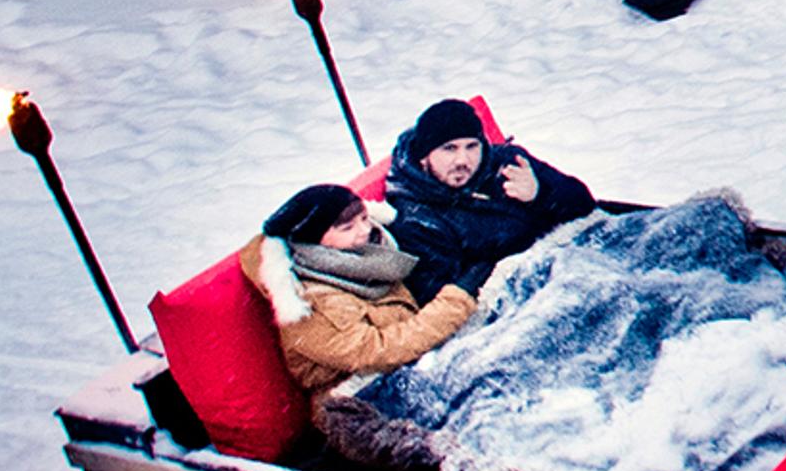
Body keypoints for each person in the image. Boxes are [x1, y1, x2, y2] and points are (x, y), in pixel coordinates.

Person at [247, 183, 478, 396]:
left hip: (410, 367)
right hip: (357, 399)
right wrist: (454, 303)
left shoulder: (367, 257)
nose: (365, 230)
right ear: (313, 243)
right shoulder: (309, 302)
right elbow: (378, 351)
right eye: (348, 227)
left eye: (365, 218)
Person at [381, 99, 593, 303]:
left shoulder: (508, 163)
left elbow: (584, 203)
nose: (463, 160)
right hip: (529, 291)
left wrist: (540, 194)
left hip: (575, 258)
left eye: (471, 146)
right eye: (449, 148)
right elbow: (445, 297)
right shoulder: (418, 219)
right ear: (424, 157)